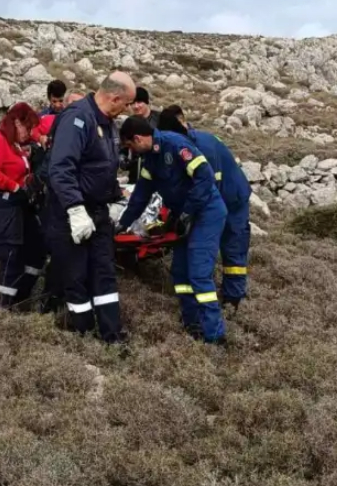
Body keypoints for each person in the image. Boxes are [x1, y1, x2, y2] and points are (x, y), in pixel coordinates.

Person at [116, 115, 229, 345]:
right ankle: (192, 323)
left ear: (137, 138)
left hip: (206, 213)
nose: (132, 152)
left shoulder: (175, 145)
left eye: (130, 146)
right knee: (180, 273)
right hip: (183, 216)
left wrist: (188, 212)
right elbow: (140, 195)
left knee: (198, 273)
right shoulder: (150, 161)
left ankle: (215, 336)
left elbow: (204, 177)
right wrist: (123, 223)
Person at [43, 71, 136, 343]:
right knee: (77, 276)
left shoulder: (107, 123)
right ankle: (82, 335)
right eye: (127, 103)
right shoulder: (77, 118)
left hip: (98, 212)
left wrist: (115, 195)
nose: (127, 109)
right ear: (115, 97)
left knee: (104, 274)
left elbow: (100, 167)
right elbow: (61, 169)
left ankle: (111, 335)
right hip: (71, 214)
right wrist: (74, 208)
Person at [157, 105, 252, 309]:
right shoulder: (181, 145)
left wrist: (191, 214)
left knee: (232, 247)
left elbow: (209, 187)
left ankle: (233, 298)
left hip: (232, 199)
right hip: (215, 199)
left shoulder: (203, 146)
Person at [0, 103, 44, 311]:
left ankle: (22, 296)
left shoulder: (16, 146)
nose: (30, 133)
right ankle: (5, 305)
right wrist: (14, 186)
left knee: (37, 250)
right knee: (11, 254)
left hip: (18, 206)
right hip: (1, 206)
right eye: (27, 128)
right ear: (16, 123)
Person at [121, 86, 160, 184]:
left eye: (139, 102)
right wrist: (122, 158)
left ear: (147, 102)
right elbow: (123, 146)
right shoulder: (129, 122)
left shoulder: (160, 120)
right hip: (135, 174)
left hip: (156, 173)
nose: (136, 106)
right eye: (133, 103)